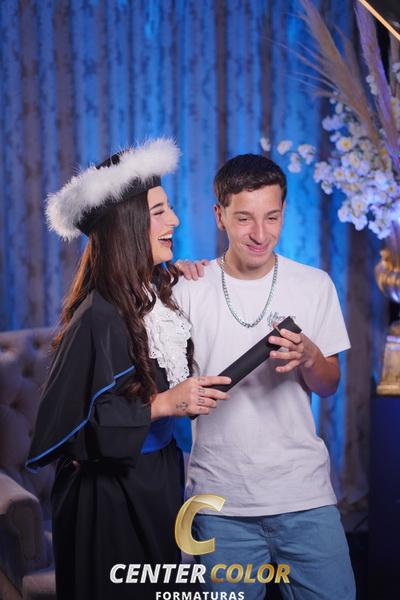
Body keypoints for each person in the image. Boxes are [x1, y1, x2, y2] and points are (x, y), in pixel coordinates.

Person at [26, 138, 230, 600]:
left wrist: (187, 274)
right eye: (159, 211)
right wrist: (163, 404)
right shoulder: (96, 316)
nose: (175, 220)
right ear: (127, 225)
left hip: (155, 480)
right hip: (109, 500)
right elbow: (76, 430)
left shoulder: (154, 294)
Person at [173, 153, 356, 600]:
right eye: (244, 219)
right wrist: (165, 276)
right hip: (219, 501)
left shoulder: (314, 284)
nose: (260, 234)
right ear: (219, 215)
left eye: (271, 217)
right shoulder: (187, 289)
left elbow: (329, 384)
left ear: (284, 212)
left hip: (304, 495)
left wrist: (310, 356)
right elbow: (162, 386)